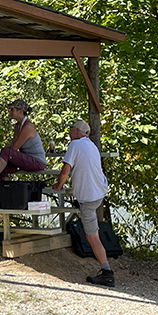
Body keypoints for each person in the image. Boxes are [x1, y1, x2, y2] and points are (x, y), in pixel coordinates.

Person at [52, 120, 114, 287]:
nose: (70, 132)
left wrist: (58, 186)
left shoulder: (75, 145)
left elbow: (65, 170)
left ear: (78, 131)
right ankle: (106, 270)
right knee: (91, 232)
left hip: (88, 197)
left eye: (71, 129)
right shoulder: (91, 145)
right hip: (99, 192)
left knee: (92, 236)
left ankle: (107, 272)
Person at [0, 99, 47, 180]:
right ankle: (8, 190)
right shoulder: (18, 126)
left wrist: (3, 154)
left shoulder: (27, 127)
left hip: (37, 162)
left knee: (5, 152)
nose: (9, 112)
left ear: (20, 112)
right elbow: (14, 145)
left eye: (12, 110)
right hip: (28, 159)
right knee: (0, 167)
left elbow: (14, 148)